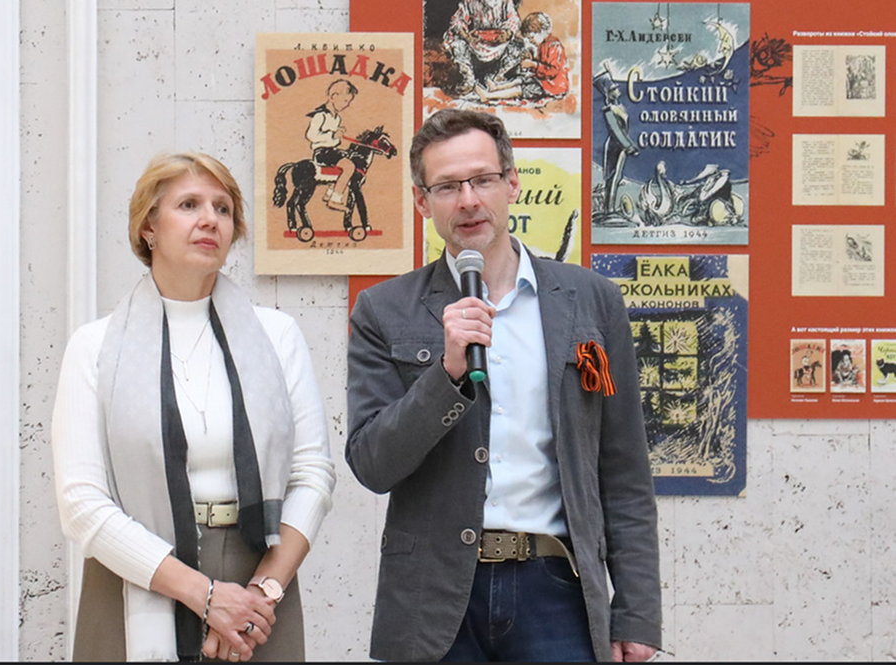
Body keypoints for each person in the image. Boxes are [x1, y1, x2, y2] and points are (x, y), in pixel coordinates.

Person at [346, 109, 661, 662]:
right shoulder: (383, 309)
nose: (468, 200)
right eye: (447, 186)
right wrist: (445, 375)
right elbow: (372, 464)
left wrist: (636, 612)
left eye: (483, 180)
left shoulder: (592, 301)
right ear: (422, 202)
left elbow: (625, 470)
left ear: (512, 183)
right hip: (432, 596)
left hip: (556, 588)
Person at [51, 152, 335, 662]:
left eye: (223, 208)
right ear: (149, 228)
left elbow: (312, 474)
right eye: (188, 205)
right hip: (135, 576)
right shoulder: (95, 347)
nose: (210, 219)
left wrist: (261, 594)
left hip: (258, 581)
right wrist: (204, 595)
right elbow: (82, 504)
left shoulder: (277, 336)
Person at [475, 11, 569, 104]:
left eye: (531, 37)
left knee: (524, 89)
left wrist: (533, 64)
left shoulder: (554, 46)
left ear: (541, 31)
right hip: (543, 81)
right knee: (523, 78)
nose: (530, 41)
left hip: (554, 86)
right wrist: (531, 61)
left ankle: (488, 96)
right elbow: (541, 66)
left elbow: (553, 71)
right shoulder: (542, 45)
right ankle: (497, 87)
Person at [442, 0, 525, 96]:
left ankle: (496, 78)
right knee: (457, 44)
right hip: (476, 43)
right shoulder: (470, 1)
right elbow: (458, 20)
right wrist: (465, 35)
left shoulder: (505, 1)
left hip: (499, 43)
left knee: (519, 46)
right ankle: (469, 79)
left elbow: (513, 19)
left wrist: (508, 33)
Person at [306, 79, 359, 212]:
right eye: (345, 101)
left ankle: (329, 193)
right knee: (349, 166)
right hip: (322, 153)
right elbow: (311, 135)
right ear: (334, 96)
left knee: (349, 156)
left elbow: (333, 142)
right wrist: (332, 135)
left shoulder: (337, 118)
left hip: (330, 151)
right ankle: (335, 199)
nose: (347, 105)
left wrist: (337, 137)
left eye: (349, 102)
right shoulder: (320, 115)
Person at [594, 69, 639, 215]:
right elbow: (615, 130)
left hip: (621, 147)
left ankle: (610, 208)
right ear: (608, 93)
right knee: (612, 177)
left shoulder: (620, 107)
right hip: (615, 146)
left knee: (617, 177)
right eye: (614, 88)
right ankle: (609, 209)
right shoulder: (609, 110)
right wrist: (629, 146)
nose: (618, 89)